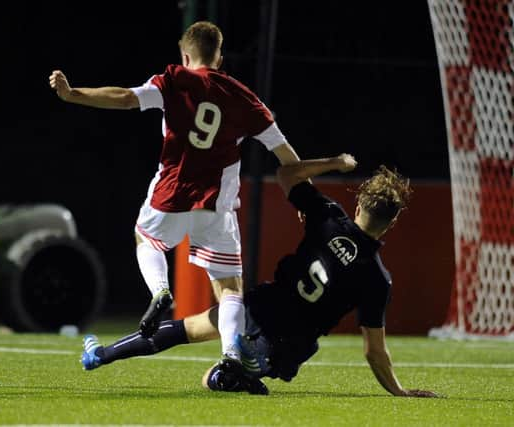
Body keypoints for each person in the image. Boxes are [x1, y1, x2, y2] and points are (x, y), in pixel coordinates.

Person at [80, 153, 438, 398]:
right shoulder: (377, 279)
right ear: (392, 222)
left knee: (187, 328)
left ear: (359, 206)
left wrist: (334, 163)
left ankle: (103, 354)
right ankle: (238, 372)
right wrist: (399, 391)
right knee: (212, 380)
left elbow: (287, 173)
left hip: (263, 305)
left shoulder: (328, 216)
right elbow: (374, 352)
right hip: (288, 343)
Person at [49, 21, 300, 366]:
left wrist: (73, 93)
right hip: (217, 205)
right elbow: (286, 156)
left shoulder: (174, 80)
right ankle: (230, 358)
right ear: (219, 57)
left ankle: (160, 290)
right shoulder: (245, 99)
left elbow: (125, 98)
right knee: (230, 289)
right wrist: (304, 198)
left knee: (146, 239)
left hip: (172, 193)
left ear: (185, 54)